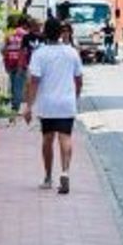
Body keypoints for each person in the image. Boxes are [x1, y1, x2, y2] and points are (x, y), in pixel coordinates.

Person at [21, 17, 83, 195]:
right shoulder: (71, 52)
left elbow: (34, 81)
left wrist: (28, 106)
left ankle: (48, 177)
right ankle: (65, 171)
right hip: (66, 102)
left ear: (45, 33)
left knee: (47, 139)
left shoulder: (40, 53)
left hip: (47, 103)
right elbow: (78, 79)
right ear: (61, 33)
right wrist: (76, 96)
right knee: (66, 138)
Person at [1, 16, 30, 120]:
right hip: (21, 64)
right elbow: (27, 50)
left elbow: (3, 49)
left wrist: (5, 63)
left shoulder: (9, 34)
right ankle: (15, 109)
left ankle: (14, 106)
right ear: (26, 25)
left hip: (10, 62)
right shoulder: (26, 35)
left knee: (13, 85)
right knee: (19, 86)